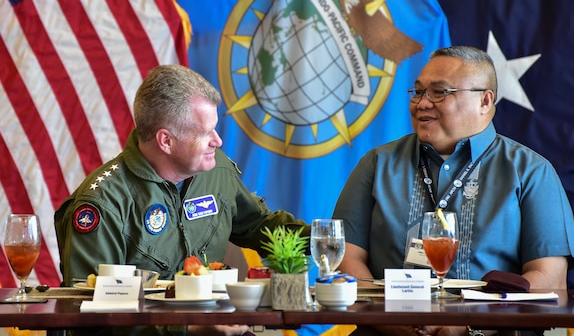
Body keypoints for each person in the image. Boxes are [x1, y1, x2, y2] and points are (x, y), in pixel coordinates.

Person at [333, 46, 574, 336]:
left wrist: (468, 324)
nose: (422, 103)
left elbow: (550, 281)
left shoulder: (531, 171)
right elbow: (345, 258)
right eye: (418, 92)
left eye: (439, 92)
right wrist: (393, 323)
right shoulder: (377, 164)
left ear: (484, 101)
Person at [54, 64, 309, 336]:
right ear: (166, 140)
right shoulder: (102, 204)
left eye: (216, 128)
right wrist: (188, 329)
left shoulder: (216, 170)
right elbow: (90, 317)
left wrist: (324, 242)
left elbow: (257, 227)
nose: (218, 141)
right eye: (205, 133)